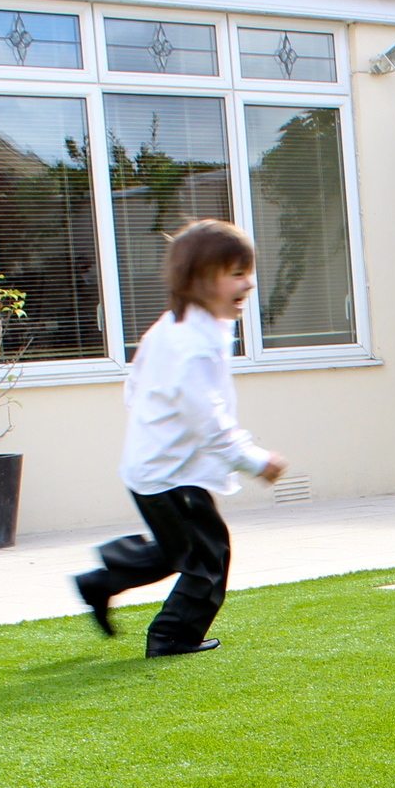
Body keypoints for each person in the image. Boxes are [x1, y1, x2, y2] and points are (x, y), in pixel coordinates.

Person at [75, 219, 287, 657]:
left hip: (156, 468)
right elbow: (207, 419)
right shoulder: (190, 343)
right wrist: (253, 460)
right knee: (209, 558)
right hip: (172, 474)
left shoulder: (181, 327)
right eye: (236, 273)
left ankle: (101, 580)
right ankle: (172, 636)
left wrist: (155, 429)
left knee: (180, 552)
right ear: (200, 280)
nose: (249, 282)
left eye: (248, 271)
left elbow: (135, 387)